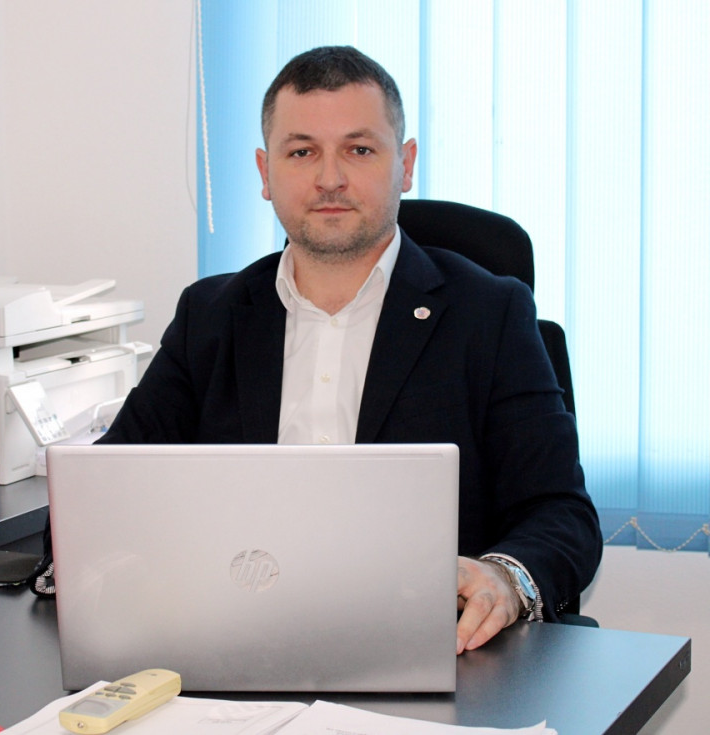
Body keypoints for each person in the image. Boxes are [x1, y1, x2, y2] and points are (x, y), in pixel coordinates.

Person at [99, 46, 602, 653]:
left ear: (405, 165)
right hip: (235, 637)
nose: (330, 178)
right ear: (265, 172)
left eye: (359, 150)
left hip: (431, 647)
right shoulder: (211, 315)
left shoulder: (489, 314)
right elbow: (105, 489)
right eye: (302, 151)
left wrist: (503, 578)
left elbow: (560, 514)